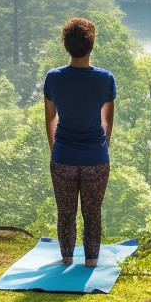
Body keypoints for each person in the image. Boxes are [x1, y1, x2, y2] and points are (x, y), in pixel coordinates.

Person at [43, 18, 116, 268]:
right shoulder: (105, 79)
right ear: (91, 45)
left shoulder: (53, 78)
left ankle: (66, 259)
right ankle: (92, 262)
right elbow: (107, 122)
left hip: (62, 155)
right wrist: (99, 150)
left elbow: (50, 119)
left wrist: (57, 151)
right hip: (96, 158)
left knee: (66, 214)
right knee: (92, 214)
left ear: (65, 44)